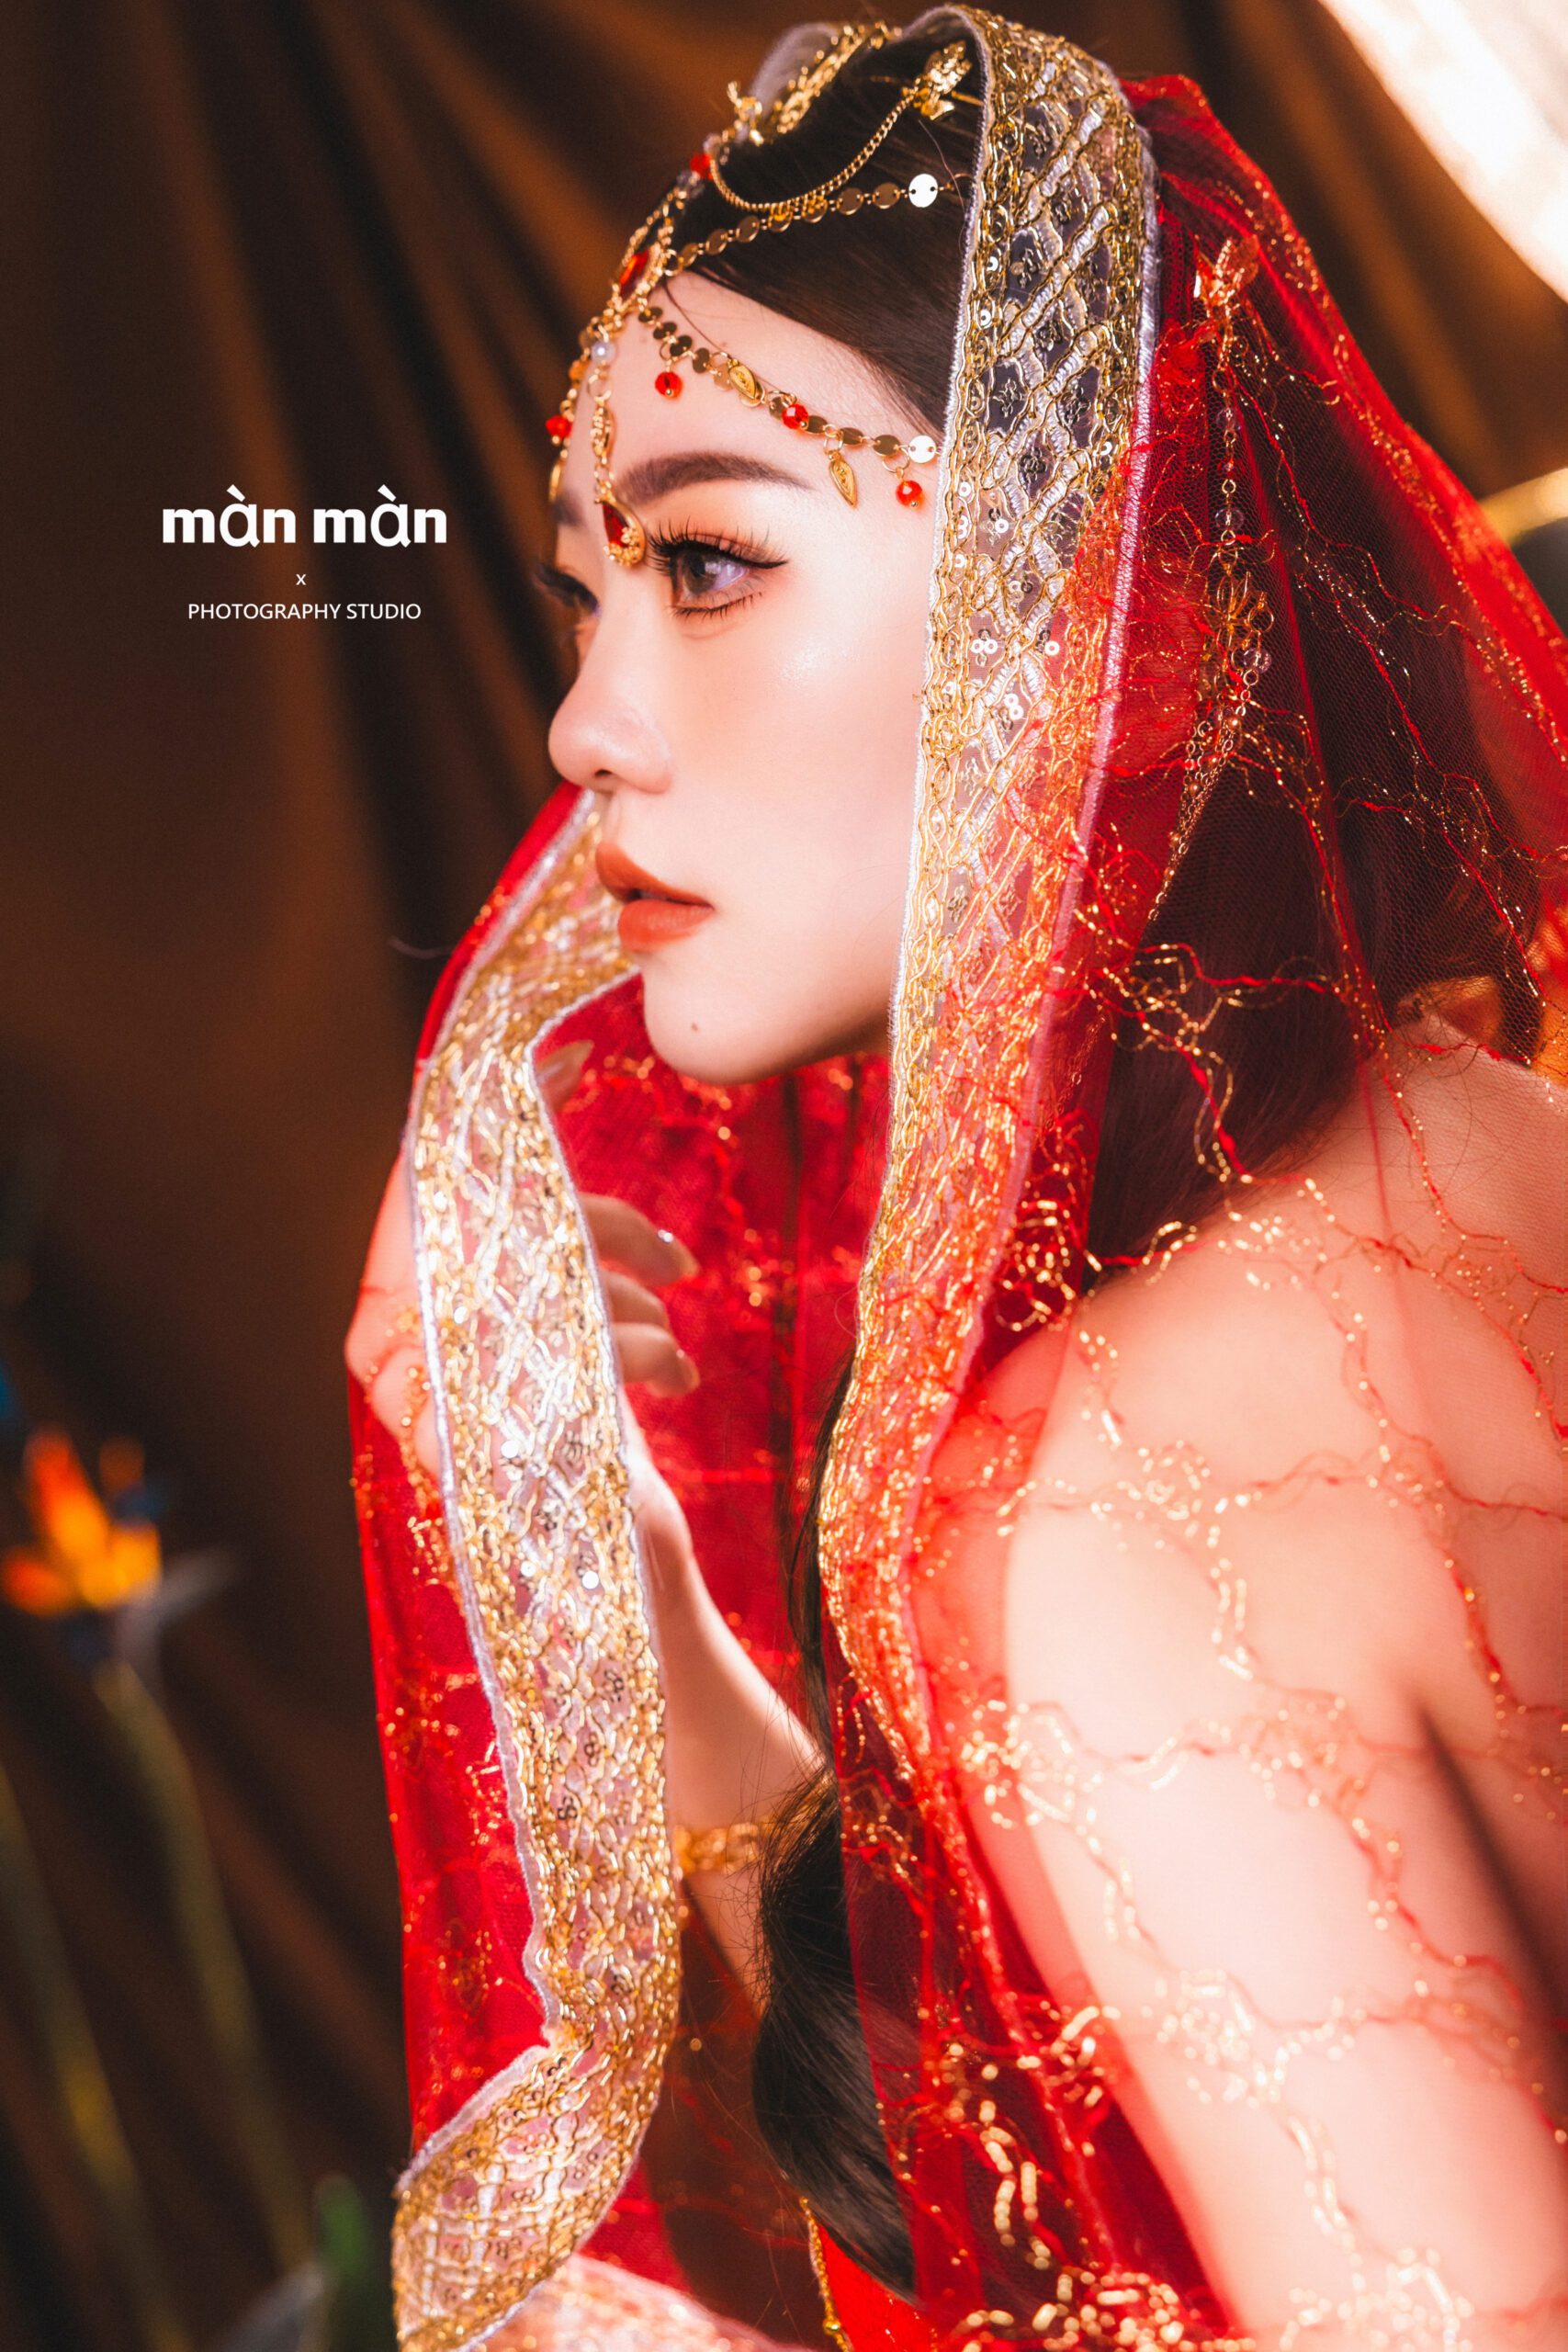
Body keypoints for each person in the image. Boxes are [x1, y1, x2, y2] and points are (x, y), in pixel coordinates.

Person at [344, 13, 1568, 2350]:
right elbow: (1064, 2103)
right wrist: (629, 1603)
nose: (584, 722)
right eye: (584, 590)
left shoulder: (1118, 1495)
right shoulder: (1484, 1133)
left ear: (1102, 599)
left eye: (709, 562)